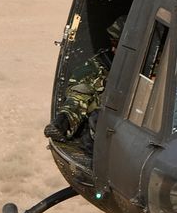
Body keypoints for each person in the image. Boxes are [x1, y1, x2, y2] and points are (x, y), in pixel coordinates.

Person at [44, 15, 126, 143]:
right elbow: (78, 96)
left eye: (117, 44)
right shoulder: (98, 66)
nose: (113, 49)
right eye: (112, 42)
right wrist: (64, 121)